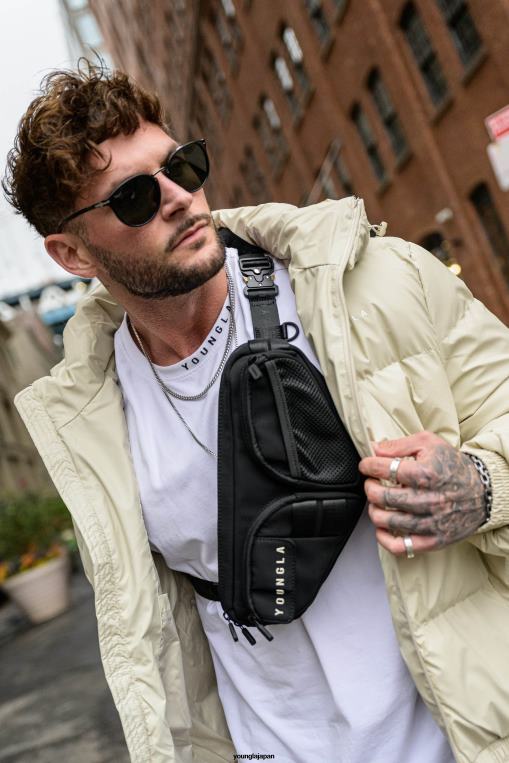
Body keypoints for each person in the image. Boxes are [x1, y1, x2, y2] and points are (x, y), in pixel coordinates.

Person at [4, 61, 509, 763]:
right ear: (72, 252)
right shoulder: (88, 415)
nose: (179, 197)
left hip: (458, 734)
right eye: (134, 197)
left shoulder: (368, 285)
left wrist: (482, 487)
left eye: (182, 165)